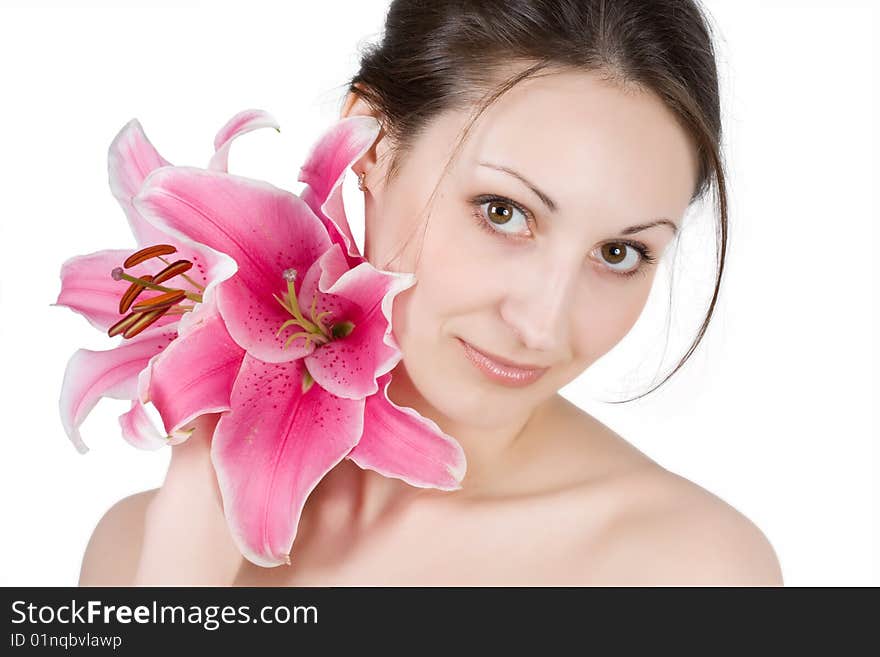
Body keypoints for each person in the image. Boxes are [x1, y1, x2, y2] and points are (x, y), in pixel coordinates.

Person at [79, 0, 783, 586]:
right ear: (372, 147)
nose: (541, 324)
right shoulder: (136, 550)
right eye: (503, 212)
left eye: (620, 252)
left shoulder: (692, 570)